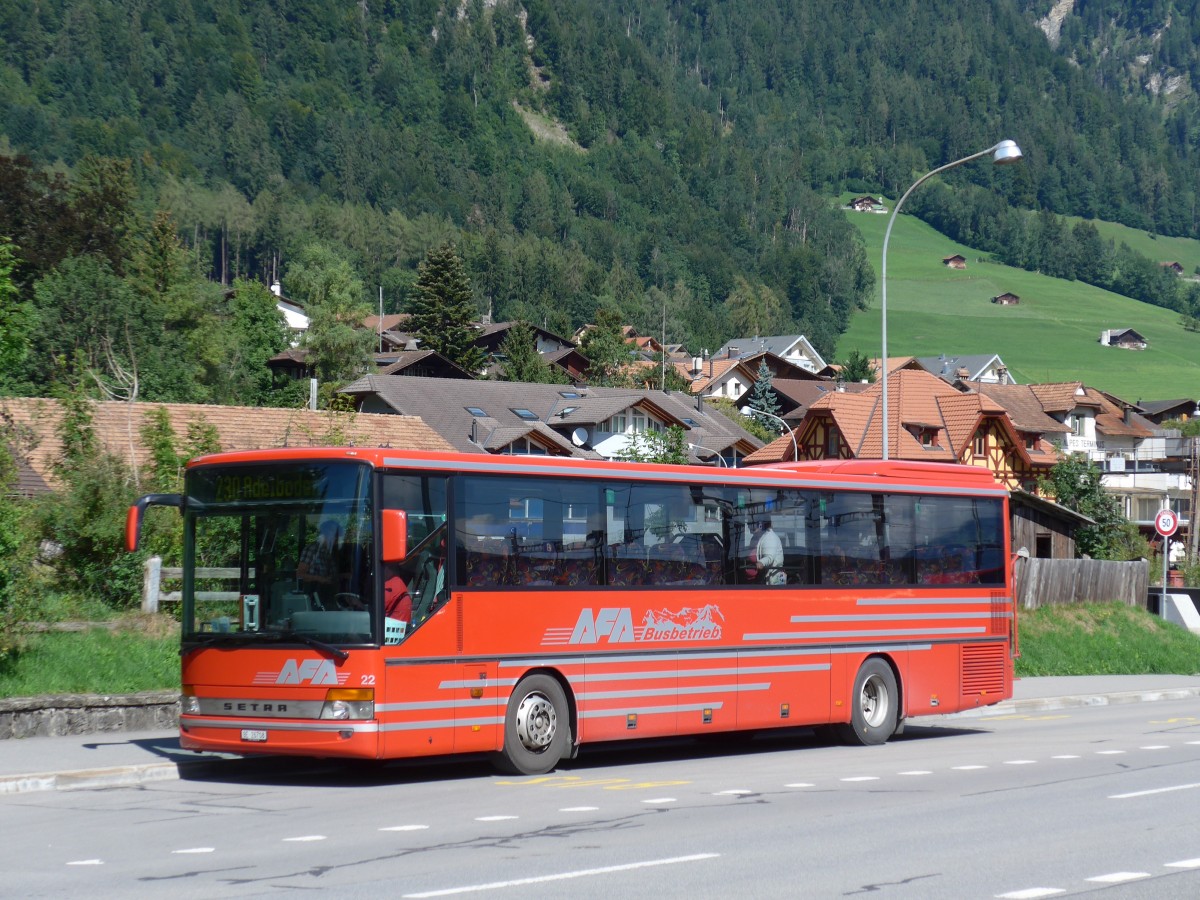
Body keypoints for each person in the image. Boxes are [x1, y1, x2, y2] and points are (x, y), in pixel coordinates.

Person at [297, 519, 340, 608]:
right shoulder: (312, 550)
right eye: (334, 535)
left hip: (328, 597)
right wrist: (321, 579)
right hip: (314, 598)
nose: (336, 539)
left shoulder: (329, 552)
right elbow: (300, 575)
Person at [753, 517, 786, 585]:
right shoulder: (765, 536)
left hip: (774, 579)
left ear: (761, 525)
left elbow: (769, 557)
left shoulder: (770, 537)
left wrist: (761, 562)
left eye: (756, 525)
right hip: (772, 576)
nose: (753, 529)